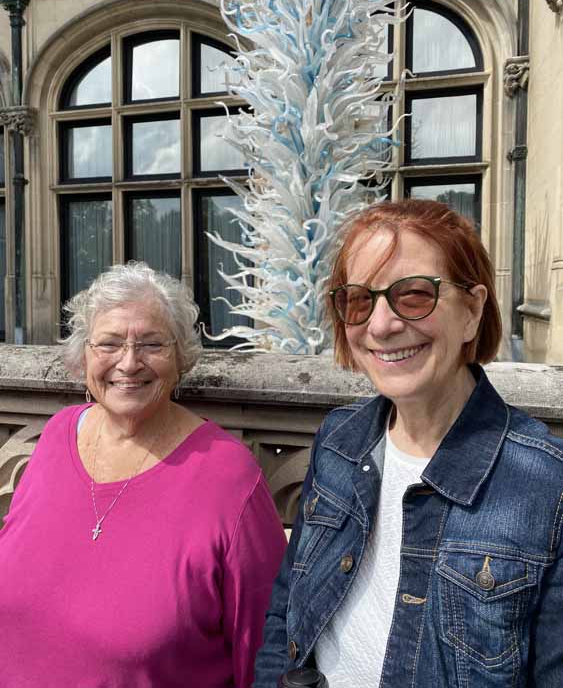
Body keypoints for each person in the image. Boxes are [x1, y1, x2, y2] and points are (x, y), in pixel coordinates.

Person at [253, 199, 563, 688]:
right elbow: (286, 610)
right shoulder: (340, 440)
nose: (380, 325)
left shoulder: (546, 487)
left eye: (414, 295)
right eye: (358, 299)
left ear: (472, 311)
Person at [0, 261, 286, 688]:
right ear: (84, 355)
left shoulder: (228, 479)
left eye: (151, 344)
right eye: (110, 343)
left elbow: (263, 654)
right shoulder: (57, 436)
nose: (129, 363)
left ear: (180, 357)